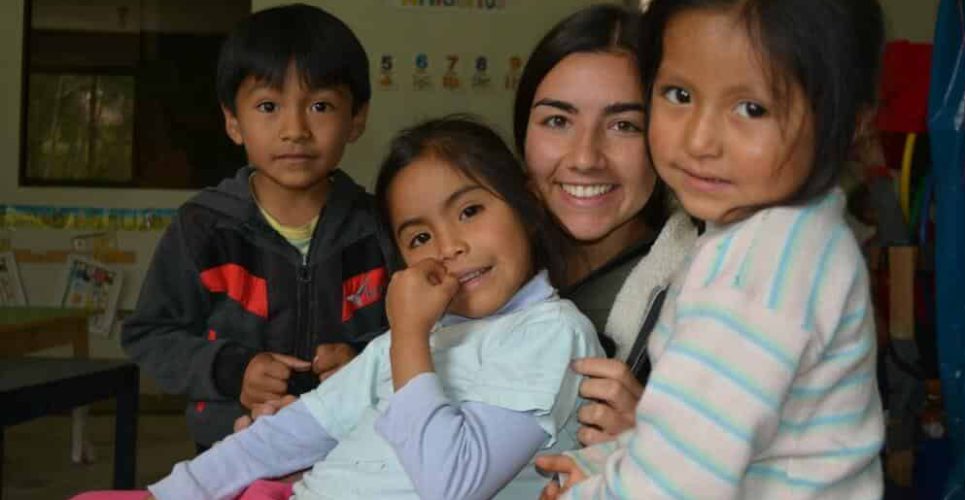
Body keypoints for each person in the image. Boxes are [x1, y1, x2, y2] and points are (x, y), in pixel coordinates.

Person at [75, 116, 603, 500]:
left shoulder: (548, 333)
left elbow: (453, 484)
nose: (448, 247)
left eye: (469, 210)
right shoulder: (414, 341)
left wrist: (410, 338)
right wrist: (166, 495)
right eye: (419, 236)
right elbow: (290, 433)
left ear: (528, 206)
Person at [537, 0, 886, 497]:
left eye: (752, 109)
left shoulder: (759, 263)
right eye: (679, 94)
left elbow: (678, 485)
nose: (700, 140)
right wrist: (606, 464)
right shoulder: (799, 232)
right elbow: (707, 441)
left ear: (848, 123)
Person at [120, 4, 390, 452]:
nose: (295, 130)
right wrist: (232, 370)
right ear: (233, 121)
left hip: (355, 451)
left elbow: (422, 335)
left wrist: (364, 365)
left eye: (320, 105)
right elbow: (150, 333)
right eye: (268, 105)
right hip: (233, 447)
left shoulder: (379, 227)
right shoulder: (203, 228)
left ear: (356, 118)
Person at [514, 4, 697, 446]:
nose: (585, 158)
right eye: (557, 121)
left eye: (624, 126)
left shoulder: (710, 297)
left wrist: (654, 448)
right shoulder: (475, 267)